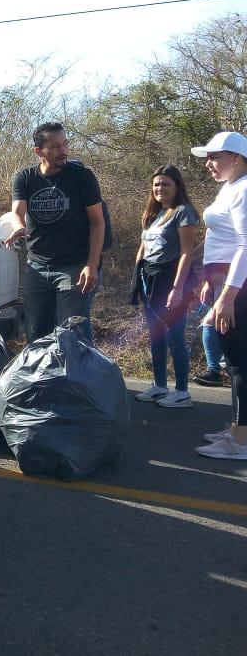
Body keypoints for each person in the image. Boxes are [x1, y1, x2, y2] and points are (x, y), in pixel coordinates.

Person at [4, 122, 105, 344]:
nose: (63, 151)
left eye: (65, 144)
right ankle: (42, 379)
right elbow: (17, 211)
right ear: (38, 151)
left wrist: (92, 264)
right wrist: (18, 226)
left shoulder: (81, 176)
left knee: (72, 336)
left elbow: (98, 222)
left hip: (74, 267)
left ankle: (79, 379)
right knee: (36, 335)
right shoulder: (25, 178)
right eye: (55, 146)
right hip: (37, 267)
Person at [191, 131, 247, 460]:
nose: (209, 164)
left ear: (237, 158)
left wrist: (227, 296)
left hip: (237, 288)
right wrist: (209, 283)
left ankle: (240, 443)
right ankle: (238, 430)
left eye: (215, 157)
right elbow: (220, 239)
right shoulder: (231, 188)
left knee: (240, 364)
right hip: (226, 282)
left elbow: (245, 245)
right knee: (238, 361)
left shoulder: (243, 190)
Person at [129, 166, 199, 408]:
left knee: (175, 337)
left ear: (177, 186)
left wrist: (178, 288)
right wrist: (137, 278)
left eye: (166, 184)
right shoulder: (154, 213)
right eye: (156, 184)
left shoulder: (183, 212)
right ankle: (160, 385)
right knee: (156, 335)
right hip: (150, 281)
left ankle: (182, 393)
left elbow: (186, 253)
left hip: (172, 281)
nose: (160, 188)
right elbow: (144, 247)